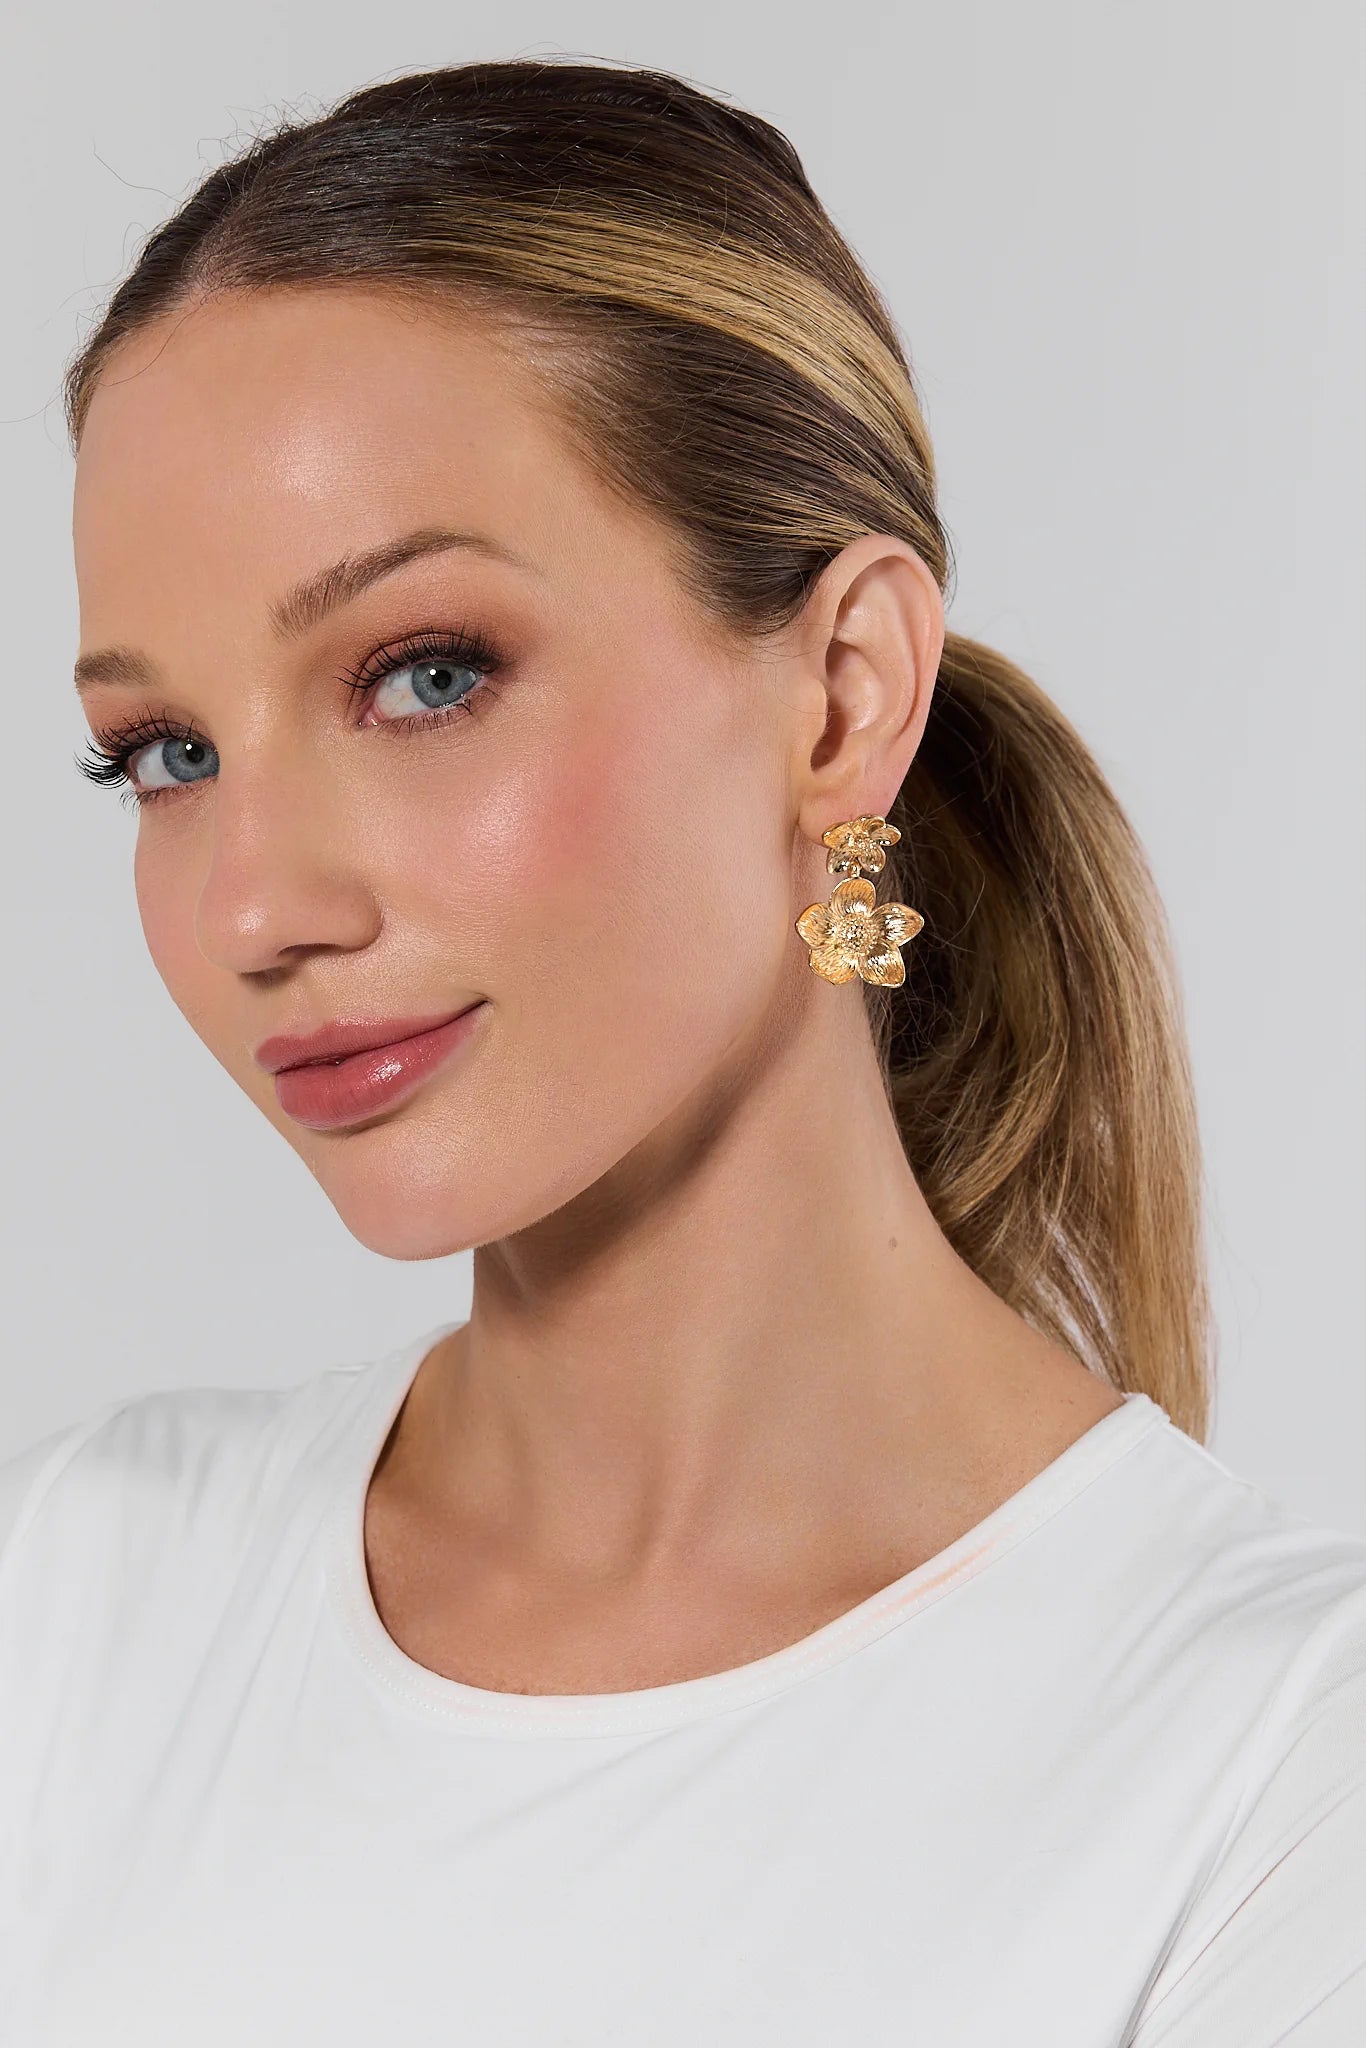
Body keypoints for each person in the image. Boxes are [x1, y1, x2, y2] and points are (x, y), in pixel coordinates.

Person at [2, 55, 1362, 2046]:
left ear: (840, 697)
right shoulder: (76, 1599)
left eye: (424, 675)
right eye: (166, 754)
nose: (253, 908)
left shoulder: (1274, 1767)